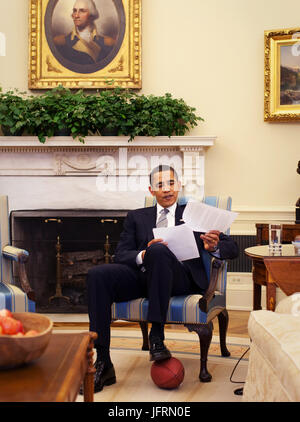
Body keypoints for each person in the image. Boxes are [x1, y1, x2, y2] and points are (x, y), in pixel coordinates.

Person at [86, 165, 239, 393]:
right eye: (160, 185)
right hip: (144, 278)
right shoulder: (137, 217)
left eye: (171, 183)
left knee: (159, 251)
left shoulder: (193, 213)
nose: (167, 189)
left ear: (178, 186)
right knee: (97, 275)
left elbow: (232, 248)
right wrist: (143, 255)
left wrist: (214, 246)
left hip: (182, 279)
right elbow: (121, 254)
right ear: (151, 190)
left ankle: (156, 334)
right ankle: (103, 362)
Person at [53, 0, 115, 65]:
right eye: (74, 11)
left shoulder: (108, 43)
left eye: (82, 11)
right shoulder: (60, 43)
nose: (76, 15)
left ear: (91, 15)